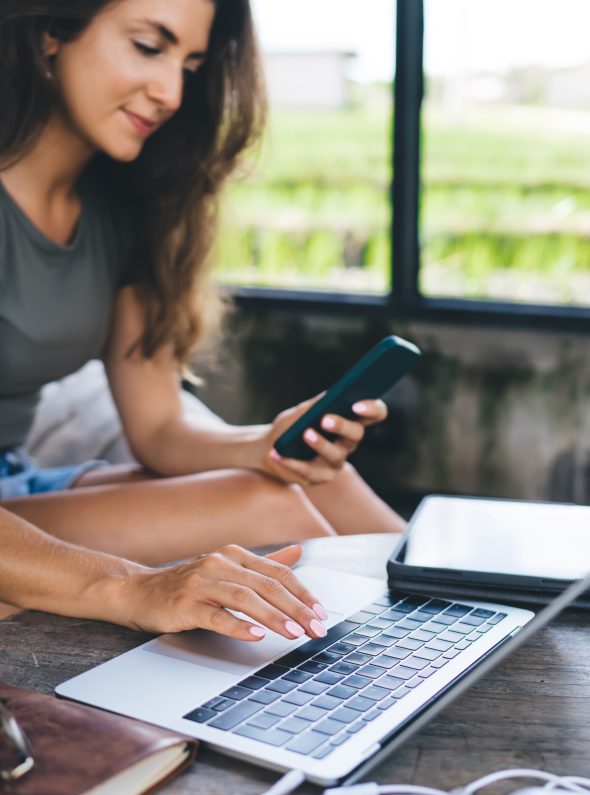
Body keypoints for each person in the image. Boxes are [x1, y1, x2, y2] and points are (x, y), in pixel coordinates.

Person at [0, 0, 405, 642]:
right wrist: (130, 587)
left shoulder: (121, 207)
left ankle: (455, 620)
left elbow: (158, 428)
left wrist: (264, 444)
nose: (170, 92)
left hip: (17, 480)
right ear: (52, 31)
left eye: (190, 65)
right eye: (147, 45)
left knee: (310, 479)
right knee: (262, 503)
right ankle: (380, 664)